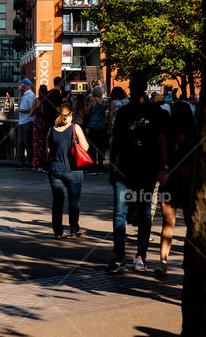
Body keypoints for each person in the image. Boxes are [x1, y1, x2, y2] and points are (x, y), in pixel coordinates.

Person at [106, 70, 169, 273]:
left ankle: (141, 255)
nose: (135, 88)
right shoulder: (123, 112)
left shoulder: (156, 113)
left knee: (144, 214)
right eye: (133, 84)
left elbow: (161, 142)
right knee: (119, 214)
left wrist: (164, 167)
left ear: (144, 87)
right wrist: (111, 166)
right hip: (123, 169)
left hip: (147, 170)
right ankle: (119, 256)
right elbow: (115, 141)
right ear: (130, 87)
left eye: (138, 84)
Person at [156, 100, 195, 276]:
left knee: (168, 224)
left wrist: (163, 169)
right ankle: (186, 261)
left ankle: (163, 262)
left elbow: (162, 153)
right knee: (189, 224)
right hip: (186, 178)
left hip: (173, 178)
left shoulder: (168, 131)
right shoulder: (194, 133)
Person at [45, 104, 89, 239]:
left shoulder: (51, 130)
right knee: (74, 202)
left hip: (55, 170)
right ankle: (74, 229)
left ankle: (58, 232)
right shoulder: (76, 128)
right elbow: (85, 147)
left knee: (57, 202)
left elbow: (47, 151)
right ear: (70, 115)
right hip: (73, 170)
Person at [84, 85, 108, 171]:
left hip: (93, 125)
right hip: (102, 125)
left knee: (93, 146)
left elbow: (87, 112)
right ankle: (101, 164)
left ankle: (93, 164)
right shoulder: (104, 102)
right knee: (101, 145)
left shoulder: (92, 100)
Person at [30, 85, 50, 171]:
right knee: (45, 143)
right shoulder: (48, 101)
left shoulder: (36, 100)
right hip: (45, 122)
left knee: (36, 144)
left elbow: (31, 113)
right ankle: (44, 163)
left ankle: (36, 163)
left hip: (37, 123)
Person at [16, 79, 35, 169]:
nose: (20, 85)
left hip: (27, 121)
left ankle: (30, 162)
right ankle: (21, 162)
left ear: (26, 85)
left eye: (22, 83)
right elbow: (19, 104)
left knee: (27, 143)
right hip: (21, 121)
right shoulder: (24, 95)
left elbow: (32, 109)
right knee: (20, 143)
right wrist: (19, 93)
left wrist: (21, 111)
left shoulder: (31, 95)